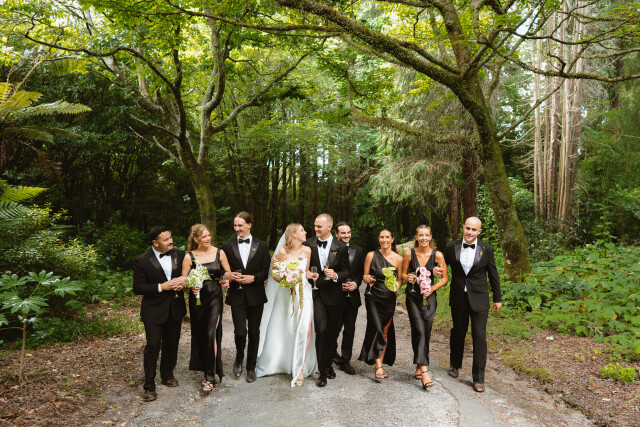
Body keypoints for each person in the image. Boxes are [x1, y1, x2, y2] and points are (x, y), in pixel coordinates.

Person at [444, 217, 502, 393]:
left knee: (479, 336)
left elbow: (493, 274)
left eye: (473, 229)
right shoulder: (451, 246)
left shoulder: (487, 249)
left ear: (479, 231)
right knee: (458, 332)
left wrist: (497, 298)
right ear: (463, 228)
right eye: (467, 228)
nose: (470, 232)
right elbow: (441, 266)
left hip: (480, 299)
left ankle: (478, 378)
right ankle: (455, 364)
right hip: (458, 298)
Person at [256, 223, 317, 386]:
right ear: (294, 234)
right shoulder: (283, 252)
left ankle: (300, 368)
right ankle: (282, 361)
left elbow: (306, 271)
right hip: (286, 294)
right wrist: (286, 281)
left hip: (304, 293)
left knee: (305, 329)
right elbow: (274, 272)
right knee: (288, 328)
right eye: (302, 230)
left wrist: (312, 275)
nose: (305, 232)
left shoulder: (307, 250)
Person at [132, 226, 186, 402]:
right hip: (153, 311)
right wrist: (161, 287)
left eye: (170, 237)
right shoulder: (142, 261)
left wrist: (185, 281)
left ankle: (167, 375)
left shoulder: (180, 255)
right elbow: (137, 288)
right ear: (155, 243)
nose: (171, 241)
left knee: (172, 344)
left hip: (175, 308)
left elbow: (190, 274)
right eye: (166, 239)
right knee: (153, 346)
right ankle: (149, 386)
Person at [181, 224, 231, 392]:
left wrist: (226, 281)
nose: (208, 238)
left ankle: (209, 376)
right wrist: (190, 285)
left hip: (215, 297)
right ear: (196, 239)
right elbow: (183, 280)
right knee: (202, 335)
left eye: (209, 235)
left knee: (211, 333)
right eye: (204, 236)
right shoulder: (189, 257)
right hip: (197, 299)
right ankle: (206, 368)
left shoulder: (219, 253)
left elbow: (226, 274)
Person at [223, 212, 271, 383]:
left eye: (240, 225)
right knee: (240, 332)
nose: (236, 228)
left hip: (256, 294)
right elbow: (223, 269)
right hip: (236, 294)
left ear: (249, 225)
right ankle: (239, 358)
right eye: (235, 225)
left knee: (254, 331)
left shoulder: (262, 245)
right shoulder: (227, 246)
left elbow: (266, 269)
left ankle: (251, 366)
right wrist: (227, 276)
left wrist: (254, 278)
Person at [304, 213, 350, 387]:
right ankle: (322, 372)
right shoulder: (308, 244)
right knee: (321, 329)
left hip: (335, 295)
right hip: (316, 293)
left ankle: (328, 363)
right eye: (315, 226)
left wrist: (336, 275)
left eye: (319, 226)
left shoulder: (341, 247)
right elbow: (302, 266)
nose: (315, 229)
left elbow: (346, 271)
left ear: (329, 227)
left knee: (332, 332)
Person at [401, 225, 448, 389]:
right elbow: (402, 274)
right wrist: (408, 278)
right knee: (419, 329)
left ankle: (418, 365)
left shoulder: (437, 255)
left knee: (425, 331)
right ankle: (425, 370)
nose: (423, 238)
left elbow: (445, 278)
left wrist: (432, 289)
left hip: (429, 297)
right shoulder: (409, 254)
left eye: (426, 235)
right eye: (420, 235)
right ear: (416, 237)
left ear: (430, 237)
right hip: (413, 296)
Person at [358, 229, 403, 380]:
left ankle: (380, 361)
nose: (384, 240)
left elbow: (400, 279)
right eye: (382, 237)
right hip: (373, 296)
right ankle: (378, 366)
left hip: (389, 297)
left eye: (387, 237)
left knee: (384, 330)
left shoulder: (399, 259)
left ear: (392, 239)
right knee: (377, 327)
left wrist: (395, 287)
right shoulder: (371, 255)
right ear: (379, 239)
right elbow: (364, 275)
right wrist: (367, 278)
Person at [332, 221, 364, 375]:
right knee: (334, 328)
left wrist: (355, 284)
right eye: (343, 233)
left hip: (352, 297)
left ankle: (345, 361)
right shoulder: (330, 250)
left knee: (350, 329)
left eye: (348, 232)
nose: (346, 235)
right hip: (335, 296)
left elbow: (360, 272)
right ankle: (332, 354)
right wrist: (339, 285)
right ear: (336, 234)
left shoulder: (358, 250)